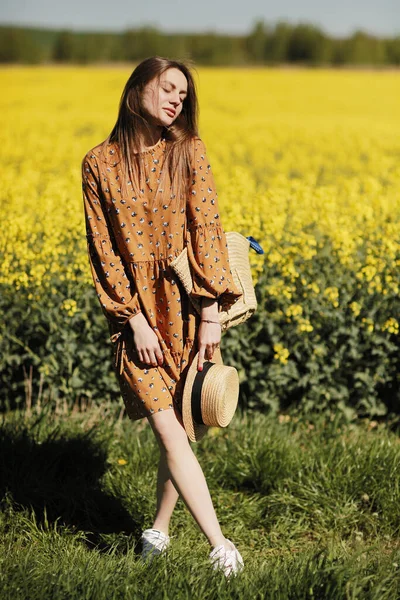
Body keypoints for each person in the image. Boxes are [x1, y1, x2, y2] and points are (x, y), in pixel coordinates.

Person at [81, 56, 244, 577]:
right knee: (170, 429)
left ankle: (158, 530)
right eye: (168, 88)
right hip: (136, 316)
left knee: (181, 425)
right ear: (137, 89)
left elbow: (207, 228)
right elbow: (103, 249)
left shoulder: (188, 152)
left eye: (183, 93)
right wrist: (133, 321)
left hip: (187, 304)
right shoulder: (98, 163)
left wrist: (210, 316)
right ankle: (221, 547)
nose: (177, 99)